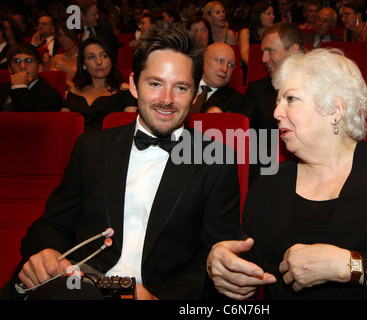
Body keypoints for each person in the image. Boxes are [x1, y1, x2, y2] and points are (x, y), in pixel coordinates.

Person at [0, 22, 240, 301]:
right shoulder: (91, 147)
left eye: (181, 88)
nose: (166, 100)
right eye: (154, 84)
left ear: (195, 96)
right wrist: (44, 253)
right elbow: (51, 225)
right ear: (133, 86)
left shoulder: (216, 161)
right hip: (78, 283)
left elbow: (213, 261)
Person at [206, 48, 367, 300]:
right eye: (278, 101)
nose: (276, 112)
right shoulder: (269, 184)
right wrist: (224, 264)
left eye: (290, 99)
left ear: (335, 109)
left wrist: (353, 266)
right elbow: (245, 265)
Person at [242, 22, 305, 184]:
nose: (263, 59)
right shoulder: (257, 90)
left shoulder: (319, 87)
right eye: (263, 52)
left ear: (294, 51)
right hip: (268, 172)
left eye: (270, 51)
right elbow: (246, 139)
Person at [62, 37, 137, 131]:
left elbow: (129, 131)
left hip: (110, 144)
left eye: (104, 56)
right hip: (75, 144)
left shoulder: (125, 92)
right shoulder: (74, 92)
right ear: (83, 64)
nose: (99, 62)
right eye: (91, 57)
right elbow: (62, 129)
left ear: (111, 60)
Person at [0, 43, 62, 112]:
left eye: (28, 61)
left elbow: (26, 120)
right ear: (10, 69)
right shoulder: (2, 88)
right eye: (16, 61)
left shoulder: (50, 97)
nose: (22, 66)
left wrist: (19, 87)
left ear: (40, 68)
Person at [190, 42, 245, 113]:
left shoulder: (236, 100)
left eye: (230, 64)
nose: (225, 69)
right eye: (220, 61)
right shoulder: (183, 85)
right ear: (203, 60)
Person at [44, 19, 82, 89]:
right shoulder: (57, 58)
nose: (62, 39)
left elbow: (85, 85)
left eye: (67, 35)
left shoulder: (84, 58)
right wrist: (46, 66)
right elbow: (47, 83)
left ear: (78, 36)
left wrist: (69, 70)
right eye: (59, 35)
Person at [238, 2, 275, 66]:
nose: (273, 17)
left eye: (273, 14)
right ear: (258, 15)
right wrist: (256, 67)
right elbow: (244, 53)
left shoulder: (274, 34)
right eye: (268, 14)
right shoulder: (246, 32)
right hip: (250, 67)